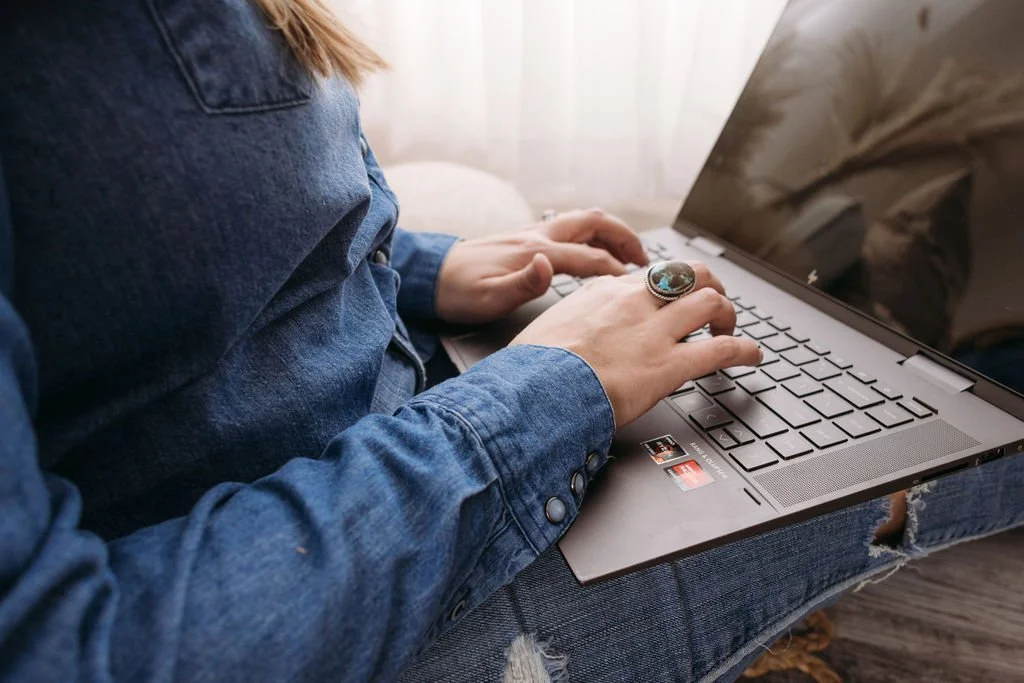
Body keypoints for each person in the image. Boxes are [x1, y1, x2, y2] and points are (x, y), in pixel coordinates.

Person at [0, 2, 1020, 682]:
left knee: (873, 340)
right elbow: (63, 648)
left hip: (401, 442)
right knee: (970, 414)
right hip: (341, 592)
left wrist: (415, 266)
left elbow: (146, 267)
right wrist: (545, 393)